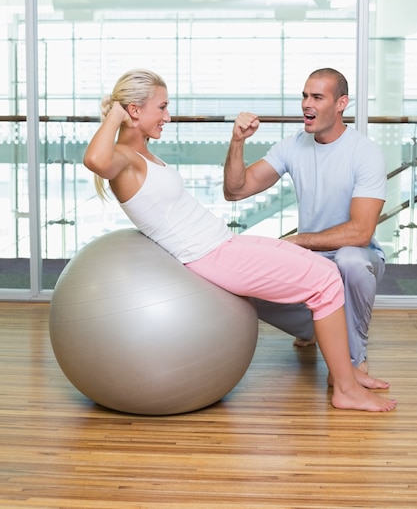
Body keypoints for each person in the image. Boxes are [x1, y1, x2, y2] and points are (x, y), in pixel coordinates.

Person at [83, 67, 396, 412]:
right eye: (161, 107)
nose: (168, 116)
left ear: (341, 104)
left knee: (323, 273)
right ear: (134, 111)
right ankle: (346, 389)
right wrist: (114, 114)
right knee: (324, 280)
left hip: (223, 244)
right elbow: (95, 159)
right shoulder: (124, 158)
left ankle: (348, 373)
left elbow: (362, 230)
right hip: (211, 253)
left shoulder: (140, 155)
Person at [223, 67, 386, 373]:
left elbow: (361, 232)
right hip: (312, 260)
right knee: (239, 281)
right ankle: (312, 328)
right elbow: (236, 190)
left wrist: (297, 241)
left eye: (317, 97)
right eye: (305, 96)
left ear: (341, 104)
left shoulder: (365, 153)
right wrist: (237, 142)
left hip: (358, 255)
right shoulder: (293, 145)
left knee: (350, 260)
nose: (306, 104)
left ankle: (356, 357)